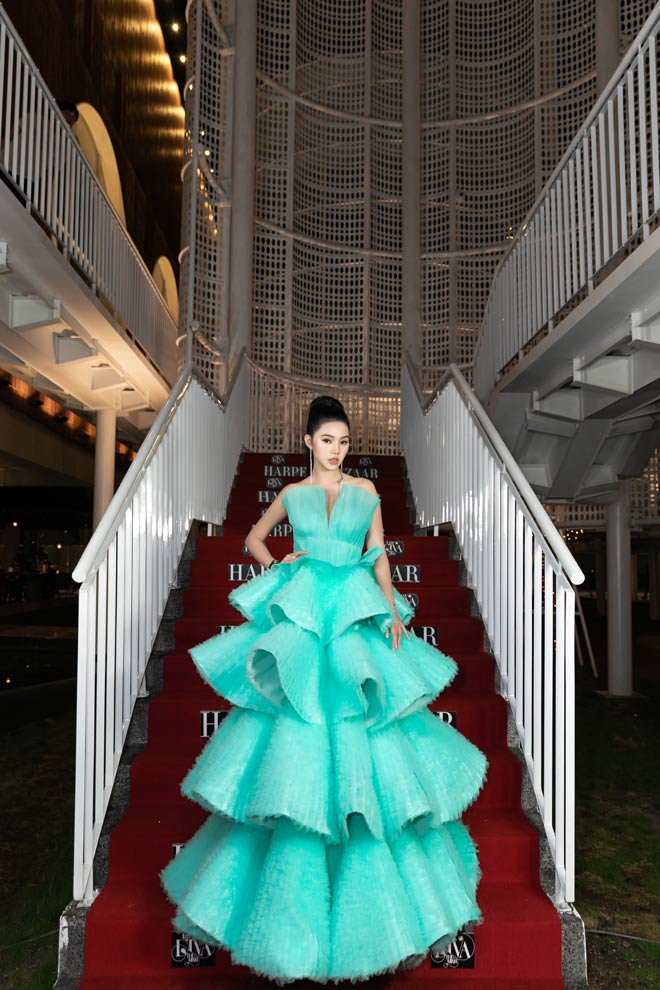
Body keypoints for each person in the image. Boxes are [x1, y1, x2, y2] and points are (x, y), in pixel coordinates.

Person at [160, 395, 489, 983]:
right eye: (328, 440)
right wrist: (280, 563)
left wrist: (391, 610)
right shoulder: (292, 494)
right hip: (307, 609)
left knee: (367, 734)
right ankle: (276, 925)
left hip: (355, 612)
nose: (337, 450)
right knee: (298, 731)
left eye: (344, 441)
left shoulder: (367, 492)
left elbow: (379, 555)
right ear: (309, 441)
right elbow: (253, 539)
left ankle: (397, 921)